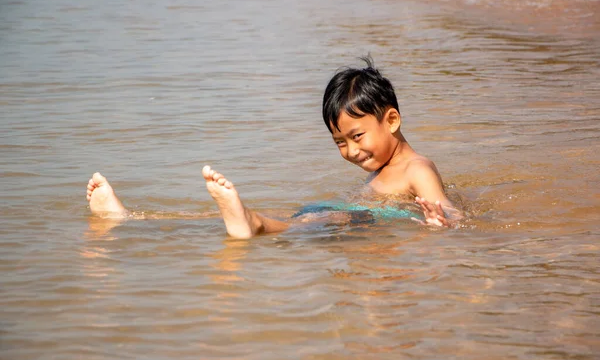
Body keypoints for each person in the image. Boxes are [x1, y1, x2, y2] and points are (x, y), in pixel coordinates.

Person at [86, 57, 462, 238]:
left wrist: (441, 220)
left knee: (295, 224)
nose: (350, 151)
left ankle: (249, 221)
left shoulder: (418, 168)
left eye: (356, 136)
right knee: (294, 220)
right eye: (339, 142)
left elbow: (448, 210)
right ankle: (130, 219)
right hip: (349, 215)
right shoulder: (385, 166)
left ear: (391, 121)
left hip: (358, 219)